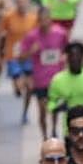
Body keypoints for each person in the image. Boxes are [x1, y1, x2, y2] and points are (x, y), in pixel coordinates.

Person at [20, 8, 69, 137]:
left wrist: (64, 58)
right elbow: (21, 57)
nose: (43, 23)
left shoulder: (60, 33)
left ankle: (53, 130)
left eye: (46, 20)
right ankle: (44, 136)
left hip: (56, 79)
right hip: (40, 79)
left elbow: (67, 49)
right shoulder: (32, 36)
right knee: (42, 110)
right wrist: (31, 51)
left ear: (50, 19)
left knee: (54, 109)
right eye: (41, 20)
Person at [0, 0, 39, 110]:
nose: (22, 4)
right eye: (19, 2)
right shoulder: (8, 17)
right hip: (13, 55)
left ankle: (26, 108)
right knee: (18, 83)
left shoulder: (34, 17)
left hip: (28, 55)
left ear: (28, 2)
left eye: (24, 2)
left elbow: (38, 36)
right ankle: (17, 88)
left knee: (30, 86)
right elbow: (0, 34)